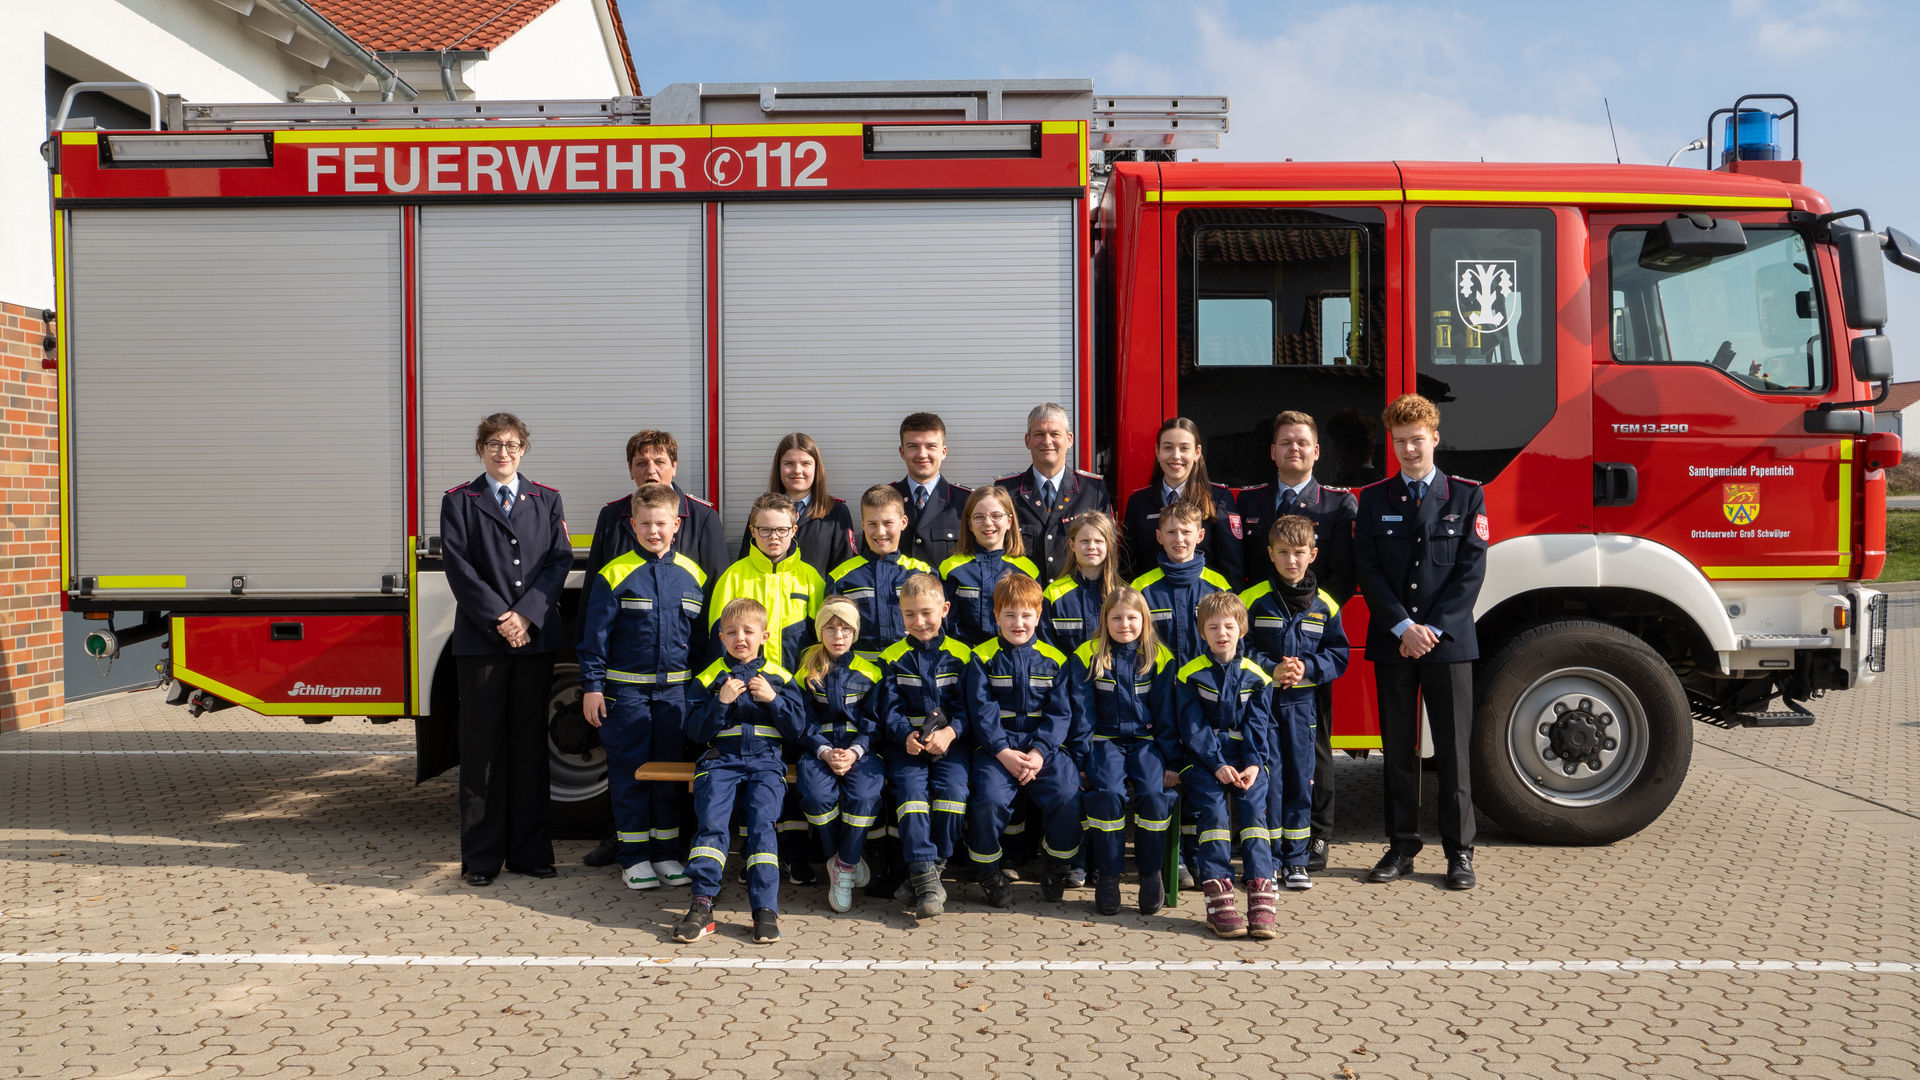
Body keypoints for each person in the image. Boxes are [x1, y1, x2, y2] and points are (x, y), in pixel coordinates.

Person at [1353, 393, 1489, 891]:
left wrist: (1430, 630)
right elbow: (1368, 570)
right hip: (1394, 644)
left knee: (1453, 753)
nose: (1409, 450)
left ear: (1435, 438)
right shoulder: (1374, 498)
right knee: (1398, 751)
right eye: (1400, 442)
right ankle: (1402, 846)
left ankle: (1460, 852)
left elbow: (1470, 572)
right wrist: (1401, 627)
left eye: (1417, 440)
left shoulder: (1466, 496)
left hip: (1447, 645)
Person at [438, 413, 571, 888]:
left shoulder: (546, 499)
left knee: (529, 747)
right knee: (482, 750)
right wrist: (501, 617)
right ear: (480, 449)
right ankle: (481, 858)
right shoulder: (459, 501)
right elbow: (459, 567)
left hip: (534, 640)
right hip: (483, 642)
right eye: (494, 444)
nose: (503, 452)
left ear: (524, 450)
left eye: (512, 445)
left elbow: (558, 561)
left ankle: (531, 853)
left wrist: (528, 615)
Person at [1232, 410, 1358, 871]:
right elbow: (1240, 569)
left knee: (1316, 748)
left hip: (1310, 646)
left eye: (1303, 442)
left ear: (1316, 451)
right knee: (1258, 745)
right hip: (1260, 642)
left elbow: (1345, 571)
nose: (1294, 449)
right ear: (1273, 451)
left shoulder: (1337, 506)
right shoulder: (1250, 504)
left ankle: (1317, 837)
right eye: (1285, 442)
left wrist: (1316, 622)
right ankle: (1259, 836)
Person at [576, 483, 709, 892]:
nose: (654, 531)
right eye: (646, 524)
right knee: (630, 774)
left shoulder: (693, 575)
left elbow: (702, 644)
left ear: (676, 525)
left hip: (675, 698)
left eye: (662, 524)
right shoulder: (613, 574)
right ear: (633, 525)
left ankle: (666, 854)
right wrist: (592, 687)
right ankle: (633, 857)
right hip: (625, 696)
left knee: (669, 776)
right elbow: (593, 638)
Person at [675, 598, 811, 944]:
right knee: (712, 825)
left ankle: (765, 910)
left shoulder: (779, 676)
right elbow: (693, 731)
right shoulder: (709, 677)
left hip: (765, 762)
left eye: (748, 632)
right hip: (720, 761)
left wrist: (773, 700)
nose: (740, 639)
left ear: (764, 635)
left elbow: (797, 729)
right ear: (721, 637)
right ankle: (702, 905)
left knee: (763, 826)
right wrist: (720, 703)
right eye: (732, 632)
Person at [1239, 515, 1350, 892]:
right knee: (1268, 780)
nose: (1291, 561)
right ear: (1270, 554)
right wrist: (1270, 668)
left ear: (1313, 555)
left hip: (1303, 708)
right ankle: (1267, 859)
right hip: (1264, 706)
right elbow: (1240, 647)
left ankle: (1296, 860)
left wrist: (1309, 668)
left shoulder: (1326, 606)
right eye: (1283, 553)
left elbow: (1339, 654)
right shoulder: (1252, 599)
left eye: (1299, 553)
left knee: (1301, 781)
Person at [963, 573, 1079, 908]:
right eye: (1009, 615)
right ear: (995, 616)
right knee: (988, 800)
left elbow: (1061, 714)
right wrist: (1003, 752)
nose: (1018, 623)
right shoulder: (980, 657)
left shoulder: (1056, 659)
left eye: (1026, 615)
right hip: (997, 750)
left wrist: (1040, 753)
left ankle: (1057, 866)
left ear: (1038, 616)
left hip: (1044, 751)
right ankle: (988, 872)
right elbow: (981, 712)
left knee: (1067, 795)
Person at [1175, 592, 1278, 940]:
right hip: (1203, 761)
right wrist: (1217, 764)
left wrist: (1253, 764)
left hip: (1248, 760)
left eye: (1229, 626)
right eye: (1213, 626)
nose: (1222, 633)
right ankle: (1220, 902)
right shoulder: (1189, 674)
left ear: (1242, 629)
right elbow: (1193, 728)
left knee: (1253, 815)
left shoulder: (1258, 677)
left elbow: (1258, 725)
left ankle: (1262, 898)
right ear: (1202, 631)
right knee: (1215, 817)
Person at [1069, 587, 1177, 916]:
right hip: (1104, 743)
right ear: (1105, 620)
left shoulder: (1160, 657)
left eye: (1132, 618)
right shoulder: (1087, 655)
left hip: (1147, 745)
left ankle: (1149, 875)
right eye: (1116, 618)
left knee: (1153, 795)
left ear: (1144, 620)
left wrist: (1172, 762)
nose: (1125, 624)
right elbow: (1080, 712)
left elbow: (1167, 715)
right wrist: (1081, 760)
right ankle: (1109, 877)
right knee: (1108, 794)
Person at [878, 572, 977, 918]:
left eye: (926, 613)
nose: (919, 622)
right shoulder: (891, 657)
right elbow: (887, 709)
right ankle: (925, 875)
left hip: (952, 745)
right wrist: (904, 733)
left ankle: (928, 874)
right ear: (900, 614)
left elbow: (970, 708)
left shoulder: (964, 655)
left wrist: (951, 733)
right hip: (907, 747)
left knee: (953, 796)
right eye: (909, 614)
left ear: (945, 609)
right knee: (912, 799)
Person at [794, 597, 888, 913]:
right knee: (816, 796)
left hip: (860, 751)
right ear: (820, 631)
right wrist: (822, 750)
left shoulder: (870, 671)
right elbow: (802, 719)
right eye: (831, 628)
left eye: (846, 629)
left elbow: (875, 721)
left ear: (855, 633)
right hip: (817, 751)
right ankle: (842, 857)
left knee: (864, 795)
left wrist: (854, 751)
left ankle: (843, 867)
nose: (838, 636)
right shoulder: (806, 669)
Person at [585, 430, 728, 584]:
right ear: (630, 469)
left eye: (659, 462)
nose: (651, 471)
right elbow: (594, 584)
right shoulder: (611, 517)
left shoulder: (702, 517)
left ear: (674, 467)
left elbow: (717, 583)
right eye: (641, 463)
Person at [996, 402, 1111, 584]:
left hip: (1074, 602)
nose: (1047, 441)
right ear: (1028, 440)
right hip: (1023, 605)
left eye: (1055, 434)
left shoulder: (1093, 490)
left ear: (1069, 439)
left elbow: (1109, 552)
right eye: (1039, 434)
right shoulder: (1006, 491)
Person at [710, 493, 827, 671]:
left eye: (782, 530)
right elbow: (718, 639)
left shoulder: (810, 579)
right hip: (745, 688)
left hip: (797, 687)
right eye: (765, 530)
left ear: (794, 530)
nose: (774, 537)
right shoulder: (732, 577)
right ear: (753, 531)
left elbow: (822, 639)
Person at [1121, 418, 1242, 584]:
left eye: (1184, 448)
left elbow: (1232, 568)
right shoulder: (1138, 502)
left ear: (1197, 453)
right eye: (1168, 448)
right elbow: (1128, 566)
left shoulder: (1218, 498)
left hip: (1205, 604)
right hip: (1151, 603)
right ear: (1157, 451)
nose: (1176, 456)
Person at [830, 484, 935, 661]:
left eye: (888, 523)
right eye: (872, 524)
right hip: (862, 677)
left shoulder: (923, 574)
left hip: (910, 672)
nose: (880, 532)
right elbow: (830, 633)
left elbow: (939, 628)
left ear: (903, 523)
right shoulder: (842, 577)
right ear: (862, 524)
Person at [738, 433, 857, 579]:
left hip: (817, 600)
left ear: (816, 468)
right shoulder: (761, 511)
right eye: (789, 463)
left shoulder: (836, 513)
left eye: (806, 463)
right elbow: (745, 564)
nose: (797, 470)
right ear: (778, 467)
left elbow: (845, 572)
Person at [1130, 501, 1232, 666]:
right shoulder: (1141, 587)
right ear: (1159, 536)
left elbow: (1233, 641)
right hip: (1159, 683)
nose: (1179, 539)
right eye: (1171, 532)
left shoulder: (1218, 587)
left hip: (1204, 683)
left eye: (1186, 532)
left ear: (1200, 535)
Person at [939, 485, 1040, 647]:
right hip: (966, 659)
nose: (987, 523)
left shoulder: (1027, 569)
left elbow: (1034, 622)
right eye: (979, 517)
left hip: (1009, 658)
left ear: (1009, 521)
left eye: (996, 516)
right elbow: (946, 623)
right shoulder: (950, 568)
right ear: (969, 524)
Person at [893, 413, 972, 571]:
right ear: (902, 452)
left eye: (931, 446)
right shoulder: (885, 498)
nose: (922, 454)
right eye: (913, 446)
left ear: (943, 452)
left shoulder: (966, 502)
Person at [1040, 510, 1122, 651]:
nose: (1091, 546)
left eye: (1099, 541)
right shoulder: (1053, 595)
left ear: (1109, 545)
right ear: (1072, 545)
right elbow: (1047, 649)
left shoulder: (1122, 593)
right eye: (1084, 541)